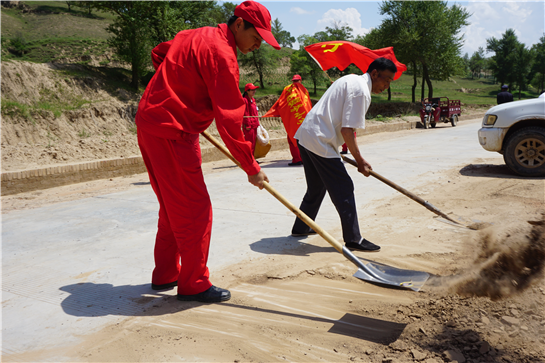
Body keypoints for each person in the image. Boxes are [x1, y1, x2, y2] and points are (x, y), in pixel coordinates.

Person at [135, 1, 280, 303]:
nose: (257, 45)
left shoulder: (194, 34)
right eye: (257, 37)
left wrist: (181, 91)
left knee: (173, 207)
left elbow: (160, 54)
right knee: (195, 210)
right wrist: (251, 167)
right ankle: (194, 283)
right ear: (238, 24)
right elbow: (229, 119)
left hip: (151, 122)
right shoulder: (223, 55)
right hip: (172, 131)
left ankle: (166, 274)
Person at [291, 57, 398, 252]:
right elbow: (348, 131)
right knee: (344, 188)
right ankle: (353, 239)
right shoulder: (361, 91)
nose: (387, 85)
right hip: (320, 140)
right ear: (374, 74)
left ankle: (301, 226)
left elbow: (345, 126)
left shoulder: (350, 79)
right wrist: (360, 161)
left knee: (316, 187)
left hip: (306, 135)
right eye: (387, 80)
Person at [262, 74, 312, 166]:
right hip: (303, 121)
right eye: (294, 81)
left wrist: (276, 111)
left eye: (296, 81)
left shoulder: (288, 90)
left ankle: (297, 159)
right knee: (302, 140)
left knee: (292, 140)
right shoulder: (304, 91)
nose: (295, 83)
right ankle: (303, 158)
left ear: (300, 81)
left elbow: (281, 103)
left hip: (293, 121)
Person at [242, 83, 260, 154]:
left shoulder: (253, 100)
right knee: (249, 142)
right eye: (252, 90)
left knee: (253, 143)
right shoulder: (245, 100)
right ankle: (250, 159)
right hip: (249, 125)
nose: (254, 91)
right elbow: (245, 113)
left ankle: (252, 158)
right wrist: (248, 125)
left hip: (254, 124)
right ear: (247, 91)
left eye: (254, 90)